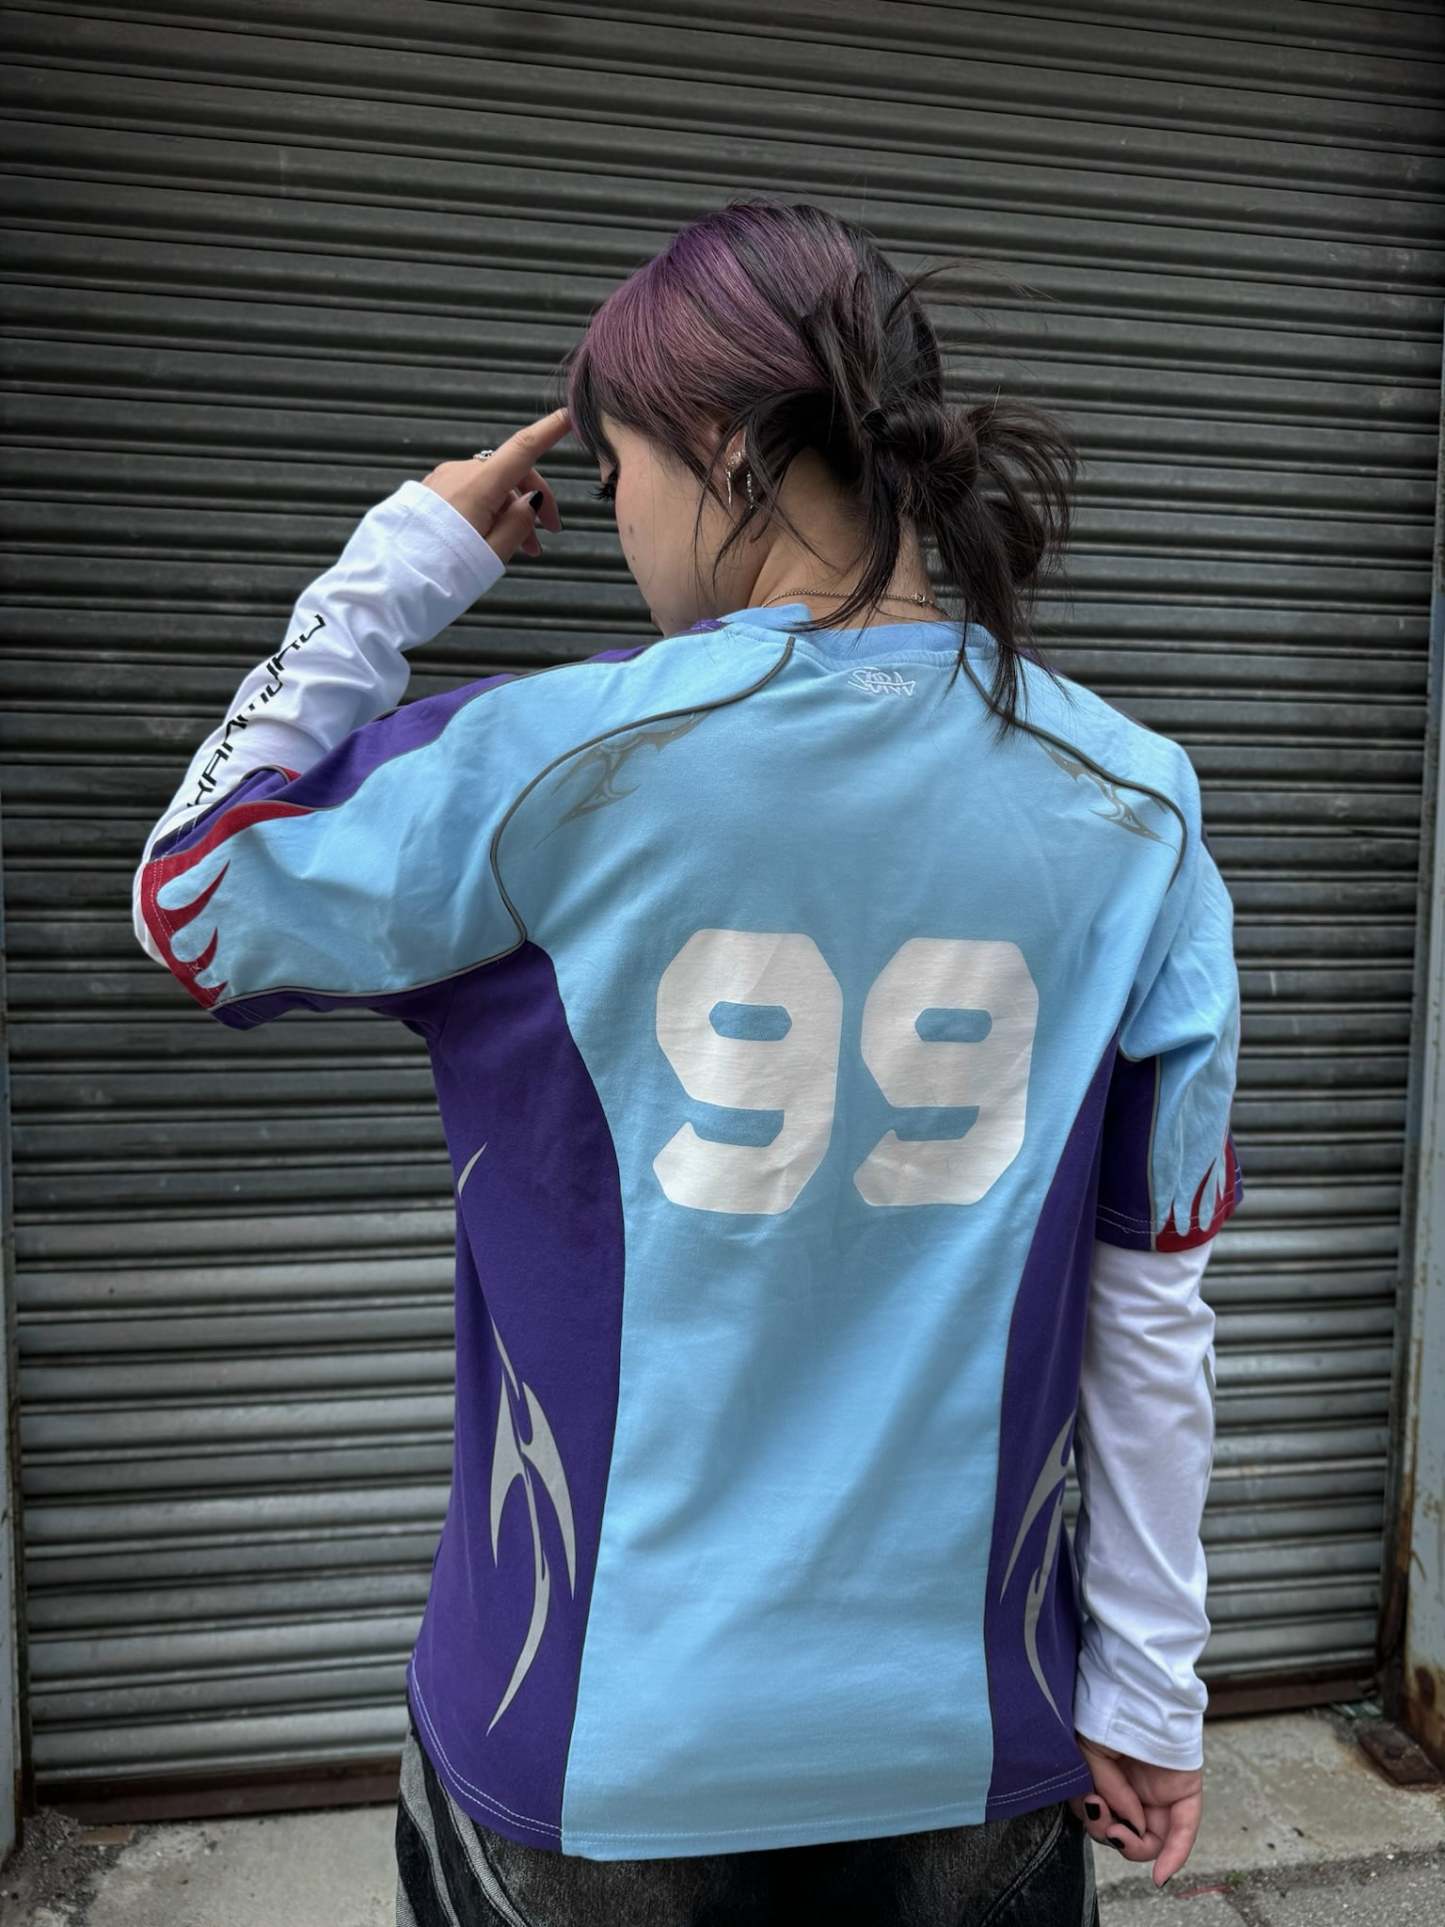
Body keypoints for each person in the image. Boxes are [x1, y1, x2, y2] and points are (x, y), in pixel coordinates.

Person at [133, 198, 1242, 1925]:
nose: (620, 522)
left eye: (621, 470)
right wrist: (1151, 1693)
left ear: (722, 445)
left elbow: (190, 895)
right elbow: (1151, 1301)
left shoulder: (551, 766)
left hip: (589, 1756)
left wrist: (407, 556)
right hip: (966, 1745)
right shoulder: (1132, 803)